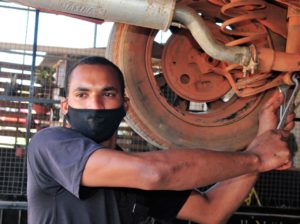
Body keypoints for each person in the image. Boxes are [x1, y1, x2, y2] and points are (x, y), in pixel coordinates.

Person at [27, 56, 295, 224]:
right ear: (65, 106)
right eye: (82, 95)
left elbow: (211, 211)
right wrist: (257, 157)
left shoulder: (133, 173)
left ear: (126, 106)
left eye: (108, 94)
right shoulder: (50, 145)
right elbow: (155, 172)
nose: (95, 104)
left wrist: (261, 142)